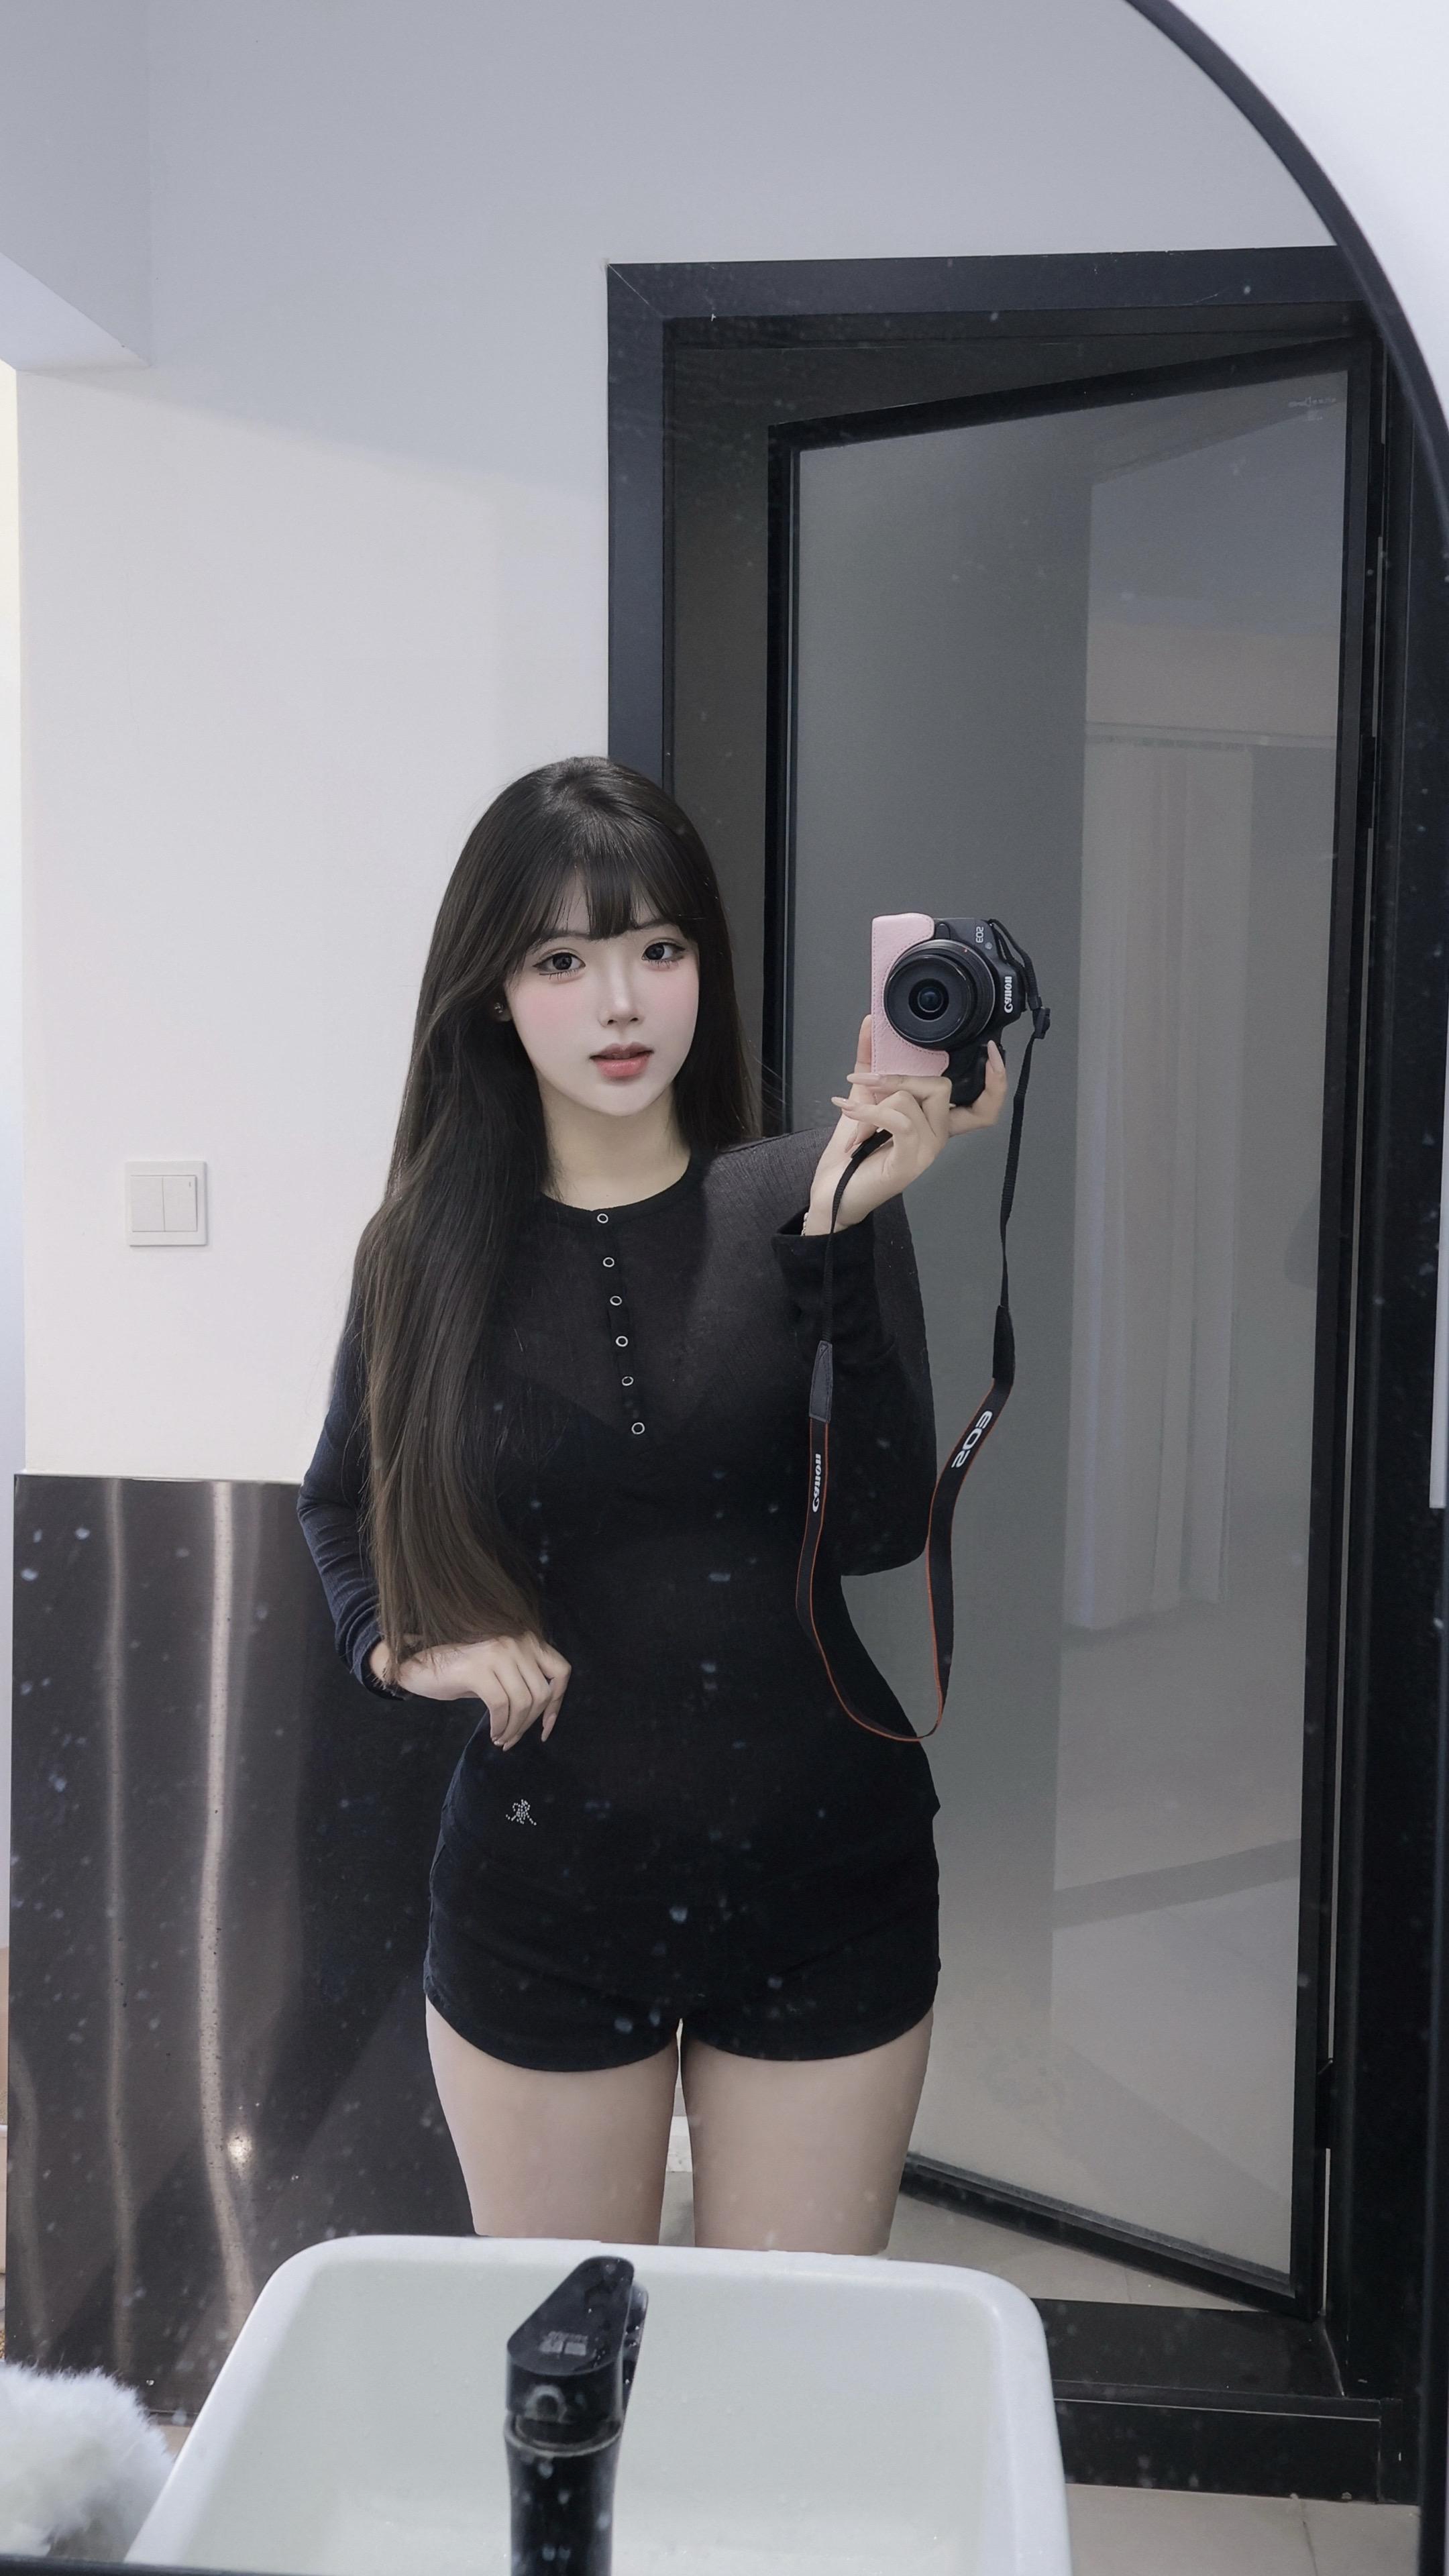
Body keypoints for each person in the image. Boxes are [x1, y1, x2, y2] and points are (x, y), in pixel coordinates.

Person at [296, 755, 1006, 2255]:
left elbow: (880, 1528)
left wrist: (841, 1242)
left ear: (704, 967)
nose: (621, 1004)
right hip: (541, 1894)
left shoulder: (819, 1190)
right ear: (495, 993)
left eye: (658, 949)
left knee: (787, 2366)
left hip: (830, 1875)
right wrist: (403, 1647)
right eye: (563, 961)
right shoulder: (421, 1250)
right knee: (569, 2366)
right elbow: (340, 1505)